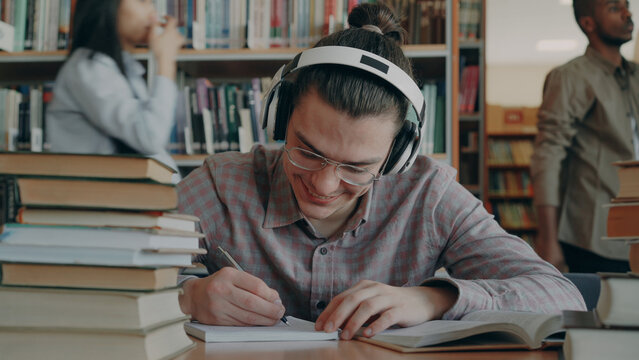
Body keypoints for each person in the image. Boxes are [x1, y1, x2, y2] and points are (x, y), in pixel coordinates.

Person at [177, 3, 585, 340]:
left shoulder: (428, 194)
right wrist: (188, 296)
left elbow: (562, 297)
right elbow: (115, 275)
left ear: (397, 156)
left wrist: (434, 300)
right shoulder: (221, 185)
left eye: (357, 168)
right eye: (306, 151)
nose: (323, 183)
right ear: (279, 117)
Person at [531, 0, 636, 273]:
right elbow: (548, 155)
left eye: (626, 6)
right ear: (589, 23)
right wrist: (548, 239)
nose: (627, 13)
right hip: (593, 240)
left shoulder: (635, 77)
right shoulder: (570, 77)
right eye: (615, 8)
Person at [46, 0, 184, 176]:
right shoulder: (87, 68)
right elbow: (150, 137)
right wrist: (165, 61)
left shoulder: (122, 69)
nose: (153, 15)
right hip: (106, 195)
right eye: (143, 2)